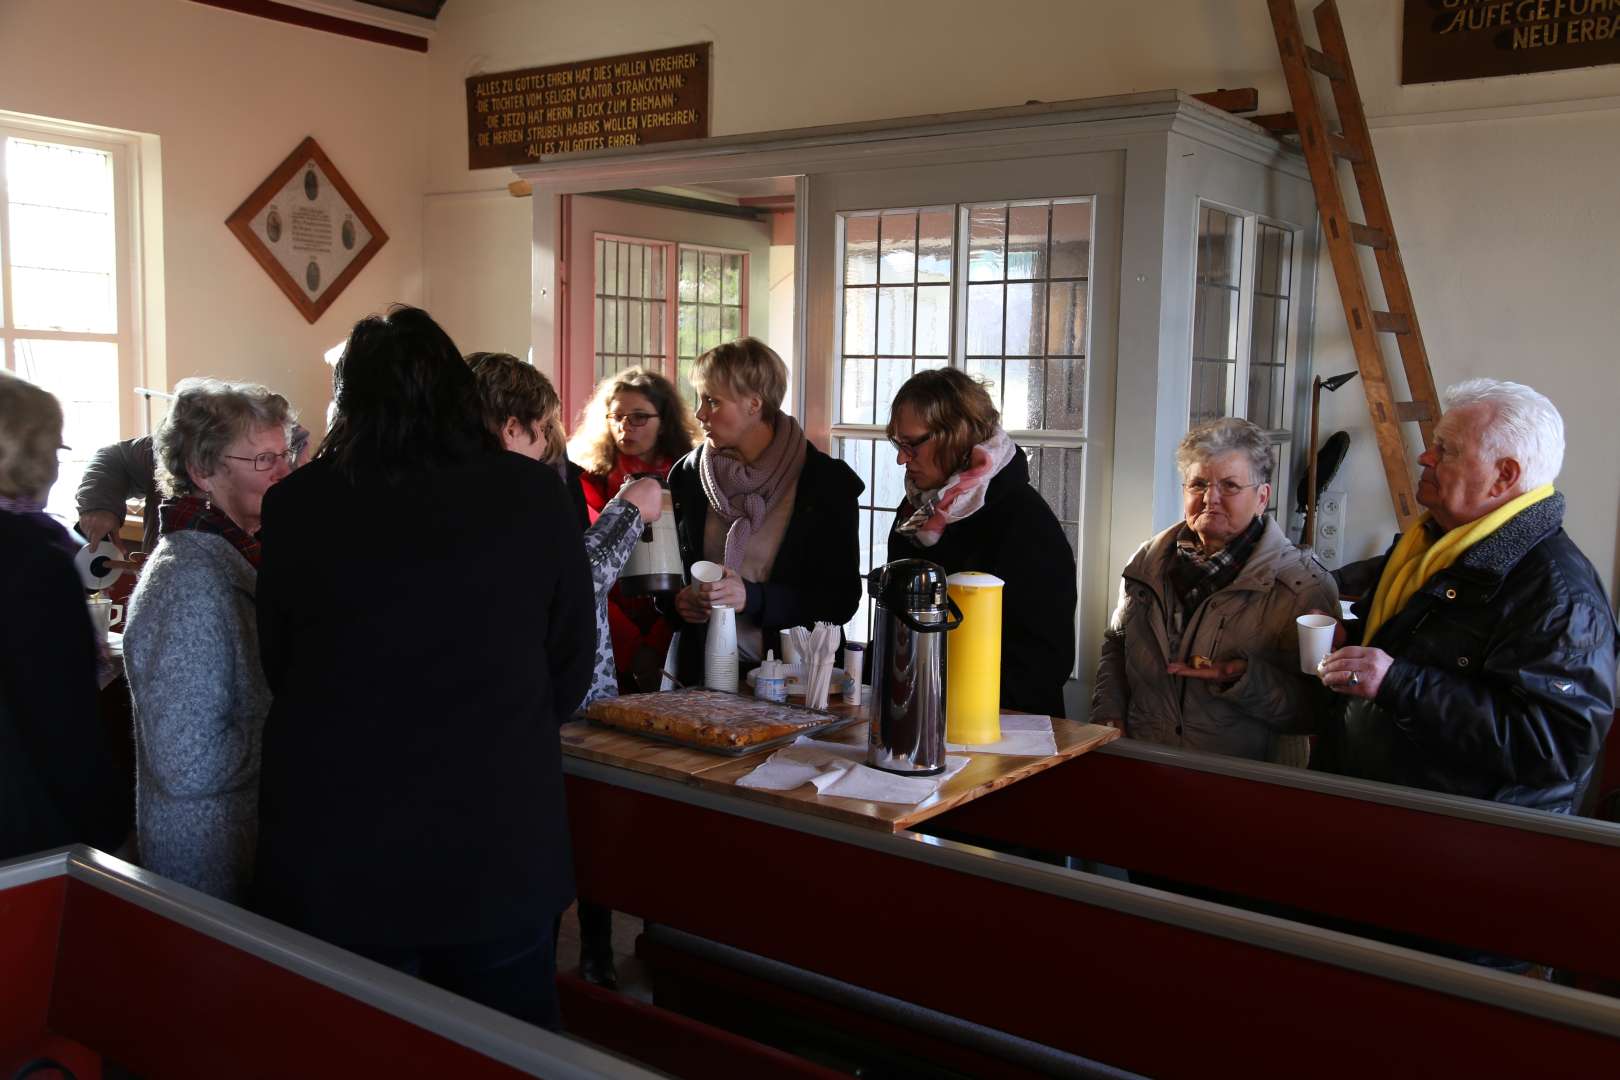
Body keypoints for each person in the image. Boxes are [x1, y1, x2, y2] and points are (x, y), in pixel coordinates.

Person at [253, 307, 594, 1029]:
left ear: (347, 402)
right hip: (496, 828)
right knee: (507, 1045)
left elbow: (281, 663)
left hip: (342, 832)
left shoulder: (298, 505)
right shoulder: (533, 495)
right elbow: (570, 661)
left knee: (360, 1049)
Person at [1317, 378, 1616, 813]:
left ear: (1504, 477)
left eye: (1447, 450)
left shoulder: (1561, 598)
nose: (1425, 456)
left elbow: (1553, 748)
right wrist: (1356, 638)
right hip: (1391, 810)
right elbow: (1419, 641)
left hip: (1465, 839)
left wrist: (1397, 682)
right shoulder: (1435, 544)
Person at [467, 351, 662, 992]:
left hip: (526, 708)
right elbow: (577, 583)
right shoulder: (506, 493)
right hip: (545, 710)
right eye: (541, 427)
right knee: (545, 859)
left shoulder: (457, 485)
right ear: (511, 428)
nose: (550, 440)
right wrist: (630, 509)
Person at [120, 379, 295, 901]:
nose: (284, 472)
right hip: (208, 868)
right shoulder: (186, 580)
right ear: (202, 470)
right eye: (264, 460)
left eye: (287, 453)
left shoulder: (231, 555)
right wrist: (298, 730)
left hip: (236, 847)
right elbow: (187, 762)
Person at [1092, 418, 1338, 762]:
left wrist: (1243, 678)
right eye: (1198, 484)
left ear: (1261, 497)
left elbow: (1319, 711)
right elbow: (1116, 644)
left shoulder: (1303, 586)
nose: (1210, 499)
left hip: (1237, 782)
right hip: (1141, 762)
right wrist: (1108, 711)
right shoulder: (1146, 564)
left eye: (1230, 486)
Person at [668, 338, 863, 686]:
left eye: (712, 401)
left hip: (796, 682)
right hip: (702, 681)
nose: (700, 414)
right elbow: (672, 582)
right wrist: (680, 601)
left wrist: (754, 598)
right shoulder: (687, 475)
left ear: (754, 404)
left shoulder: (826, 483)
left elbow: (840, 601)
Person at [885, 368, 1077, 718]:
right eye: (898, 444)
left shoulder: (1025, 523)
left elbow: (1044, 666)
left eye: (912, 444)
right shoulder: (918, 511)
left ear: (956, 436)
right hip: (921, 712)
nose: (901, 458)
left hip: (1006, 730)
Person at [0, 372, 130, 861]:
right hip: (27, 820)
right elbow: (61, 713)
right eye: (55, 451)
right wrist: (109, 826)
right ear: (26, 455)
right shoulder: (34, 558)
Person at [568, 366, 700, 692]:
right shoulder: (585, 482)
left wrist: (657, 642)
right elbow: (586, 572)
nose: (626, 426)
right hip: (605, 637)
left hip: (677, 631)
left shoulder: (689, 480)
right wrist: (632, 648)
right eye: (617, 417)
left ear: (664, 421)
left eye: (639, 417)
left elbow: (691, 564)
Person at [77, 426, 309, 554]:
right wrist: (100, 505)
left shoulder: (297, 464)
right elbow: (116, 458)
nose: (281, 471)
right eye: (265, 458)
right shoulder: (181, 442)